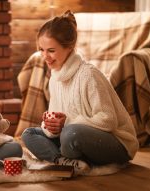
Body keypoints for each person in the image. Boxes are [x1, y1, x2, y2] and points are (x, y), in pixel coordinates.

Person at [21, 10, 139, 175]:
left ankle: (67, 156)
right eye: (41, 49)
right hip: (72, 138)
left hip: (116, 144)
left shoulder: (89, 75)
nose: (44, 56)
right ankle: (64, 161)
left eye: (51, 50)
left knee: (70, 134)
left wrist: (66, 124)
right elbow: (56, 119)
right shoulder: (54, 78)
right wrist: (51, 127)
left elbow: (108, 120)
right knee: (29, 134)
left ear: (69, 47)